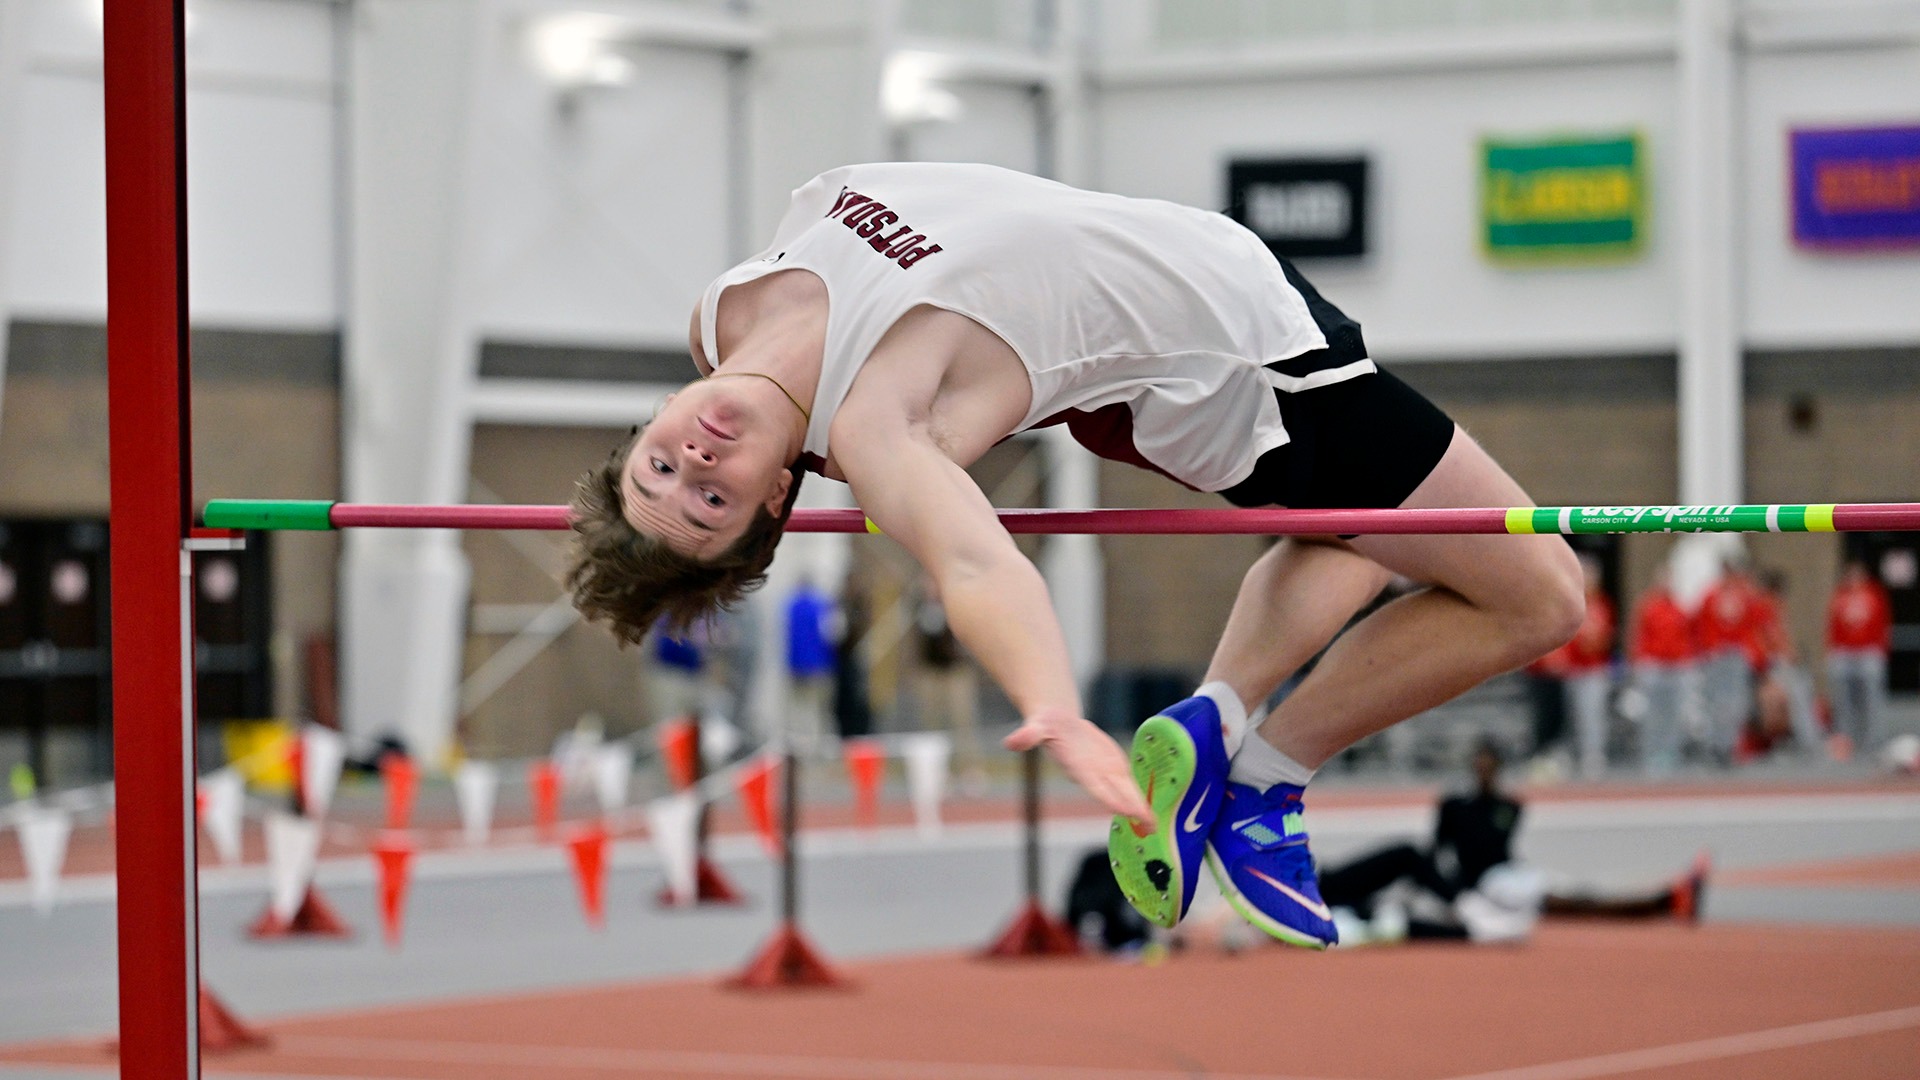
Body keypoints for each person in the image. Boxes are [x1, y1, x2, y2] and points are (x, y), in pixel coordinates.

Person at [564, 162, 1582, 950]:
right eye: (709, 501)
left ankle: (1217, 722)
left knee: (1354, 532)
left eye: (660, 467)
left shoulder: (721, 309)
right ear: (775, 499)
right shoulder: (878, 433)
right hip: (1239, 353)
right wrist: (1052, 704)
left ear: (660, 413)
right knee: (1541, 597)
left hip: (1189, 278)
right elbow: (974, 567)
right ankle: (1266, 776)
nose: (693, 463)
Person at [1323, 739, 1710, 945]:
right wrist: (1452, 891)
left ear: (1499, 766)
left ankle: (1667, 900)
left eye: (1490, 762)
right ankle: (1665, 902)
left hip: (1505, 876)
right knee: (1571, 902)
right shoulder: (1455, 805)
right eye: (1479, 762)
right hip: (1485, 887)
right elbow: (1439, 849)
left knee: (1578, 896)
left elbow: (1496, 845)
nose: (1483, 768)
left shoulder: (1509, 806)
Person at [912, 577, 988, 794]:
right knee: (932, 723)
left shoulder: (956, 603)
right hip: (930, 671)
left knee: (962, 720)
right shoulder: (921, 607)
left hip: (955, 670)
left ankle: (970, 769)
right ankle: (939, 772)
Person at [1625, 566, 1696, 775]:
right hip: (1654, 666)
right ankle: (1650, 755)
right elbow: (1638, 635)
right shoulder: (1648, 606)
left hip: (1676, 667)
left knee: (1674, 715)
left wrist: (1687, 661)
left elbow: (1688, 635)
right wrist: (1638, 662)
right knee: (1652, 715)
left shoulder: (1679, 607)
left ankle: (1671, 755)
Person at [1692, 560, 1759, 764]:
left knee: (1736, 703)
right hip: (1717, 653)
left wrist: (1750, 650)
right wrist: (1706, 648)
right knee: (1715, 702)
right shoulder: (1711, 595)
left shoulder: (1744, 595)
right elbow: (1700, 624)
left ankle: (1729, 745)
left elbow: (1754, 623)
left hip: (1736, 654)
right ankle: (1714, 746)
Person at [1825, 556, 1892, 759]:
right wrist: (1832, 650)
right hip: (1845, 652)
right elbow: (1833, 625)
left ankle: (1873, 741)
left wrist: (1881, 650)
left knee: (1872, 699)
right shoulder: (1840, 595)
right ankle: (1846, 739)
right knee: (1843, 700)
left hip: (1868, 652)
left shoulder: (1874, 593)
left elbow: (1883, 623)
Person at [781, 575, 838, 747]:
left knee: (798, 709)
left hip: (796, 665)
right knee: (818, 709)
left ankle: (800, 744)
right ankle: (816, 744)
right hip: (820, 665)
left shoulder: (790, 606)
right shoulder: (823, 605)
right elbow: (832, 633)